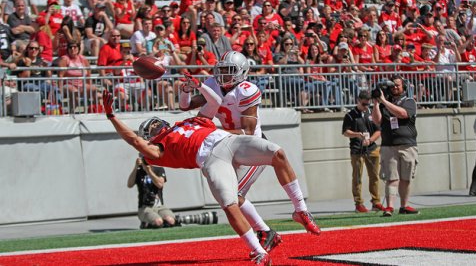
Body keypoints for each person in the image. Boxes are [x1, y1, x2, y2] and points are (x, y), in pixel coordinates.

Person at [102, 73, 320, 265]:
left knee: (277, 153)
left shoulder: (189, 122)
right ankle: (259, 251)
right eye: (149, 128)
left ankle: (300, 210)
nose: (153, 126)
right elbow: (133, 140)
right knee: (230, 203)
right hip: (211, 160)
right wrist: (112, 116)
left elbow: (214, 100)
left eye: (153, 123)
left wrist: (198, 86)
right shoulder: (160, 150)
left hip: (228, 141)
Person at [179, 51, 284, 254]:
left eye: (229, 71)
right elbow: (186, 105)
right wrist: (185, 90)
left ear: (242, 72)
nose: (224, 76)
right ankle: (266, 231)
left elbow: (248, 131)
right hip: (231, 146)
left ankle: (266, 231)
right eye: (222, 70)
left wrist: (212, 132)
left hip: (254, 147)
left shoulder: (246, 90)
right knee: (228, 195)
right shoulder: (212, 84)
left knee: (232, 196)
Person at [372, 75, 419, 217]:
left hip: (407, 145)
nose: (395, 88)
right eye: (392, 86)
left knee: (406, 178)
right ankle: (390, 207)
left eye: (397, 85)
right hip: (388, 145)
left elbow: (403, 114)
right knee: (392, 177)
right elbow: (377, 121)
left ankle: (404, 206)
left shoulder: (409, 101)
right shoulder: (384, 103)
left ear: (404, 87)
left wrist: (384, 101)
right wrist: (376, 103)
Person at [342, 90, 385, 213]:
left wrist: (370, 140)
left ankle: (376, 202)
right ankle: (358, 203)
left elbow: (379, 130)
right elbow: (345, 132)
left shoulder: (372, 113)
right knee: (357, 178)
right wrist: (357, 135)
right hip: (357, 150)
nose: (366, 107)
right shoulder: (350, 115)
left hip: (372, 149)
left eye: (368, 104)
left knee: (374, 176)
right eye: (364, 104)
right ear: (358, 101)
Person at [127, 156, 177, 229]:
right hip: (145, 207)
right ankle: (146, 223)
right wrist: (135, 167)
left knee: (171, 220)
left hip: (160, 206)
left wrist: (148, 171)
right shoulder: (138, 171)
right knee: (158, 222)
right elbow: (129, 184)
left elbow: (160, 184)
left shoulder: (159, 169)